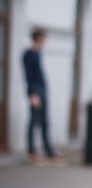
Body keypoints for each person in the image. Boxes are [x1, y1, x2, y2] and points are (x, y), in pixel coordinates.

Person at [22, 28, 63, 165]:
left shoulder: (38, 53)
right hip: (36, 91)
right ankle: (31, 150)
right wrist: (32, 94)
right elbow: (28, 76)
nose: (44, 42)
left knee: (45, 121)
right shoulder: (28, 54)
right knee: (34, 120)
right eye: (43, 39)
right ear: (37, 38)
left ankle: (48, 150)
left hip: (42, 90)